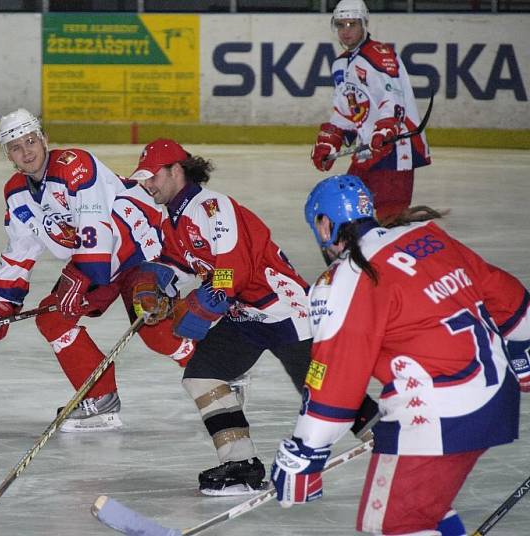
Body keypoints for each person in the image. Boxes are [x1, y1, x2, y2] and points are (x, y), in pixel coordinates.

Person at [270, 175, 530, 535]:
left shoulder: (346, 278)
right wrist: (523, 349)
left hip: (438, 411)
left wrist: (306, 450)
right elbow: (505, 294)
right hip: (495, 395)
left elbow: (336, 376)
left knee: (396, 523)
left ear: (325, 224)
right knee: (424, 508)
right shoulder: (426, 236)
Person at [129, 139, 379, 496]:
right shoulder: (173, 217)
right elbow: (180, 263)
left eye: (153, 176)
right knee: (202, 376)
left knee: (327, 393)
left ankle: (389, 437)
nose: (147, 184)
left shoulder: (213, 207)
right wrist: (153, 282)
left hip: (285, 311)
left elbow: (233, 271)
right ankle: (241, 465)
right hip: (245, 317)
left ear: (176, 170)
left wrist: (201, 307)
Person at [0, 109, 194, 433]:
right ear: (8, 155)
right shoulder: (17, 193)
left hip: (138, 248)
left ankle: (215, 370)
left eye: (31, 140)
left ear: (44, 139)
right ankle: (100, 399)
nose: (26, 151)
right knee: (52, 317)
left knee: (153, 328)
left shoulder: (75, 166)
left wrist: (82, 275)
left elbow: (95, 226)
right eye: (16, 147)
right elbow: (20, 251)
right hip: (101, 261)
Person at [310, 0, 430, 224]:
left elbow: (393, 99)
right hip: (369, 148)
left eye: (352, 24)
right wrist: (332, 137)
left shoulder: (379, 55)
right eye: (341, 25)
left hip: (394, 149)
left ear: (364, 24)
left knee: (389, 219)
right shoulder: (340, 64)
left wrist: (385, 129)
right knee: (347, 209)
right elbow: (348, 110)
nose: (346, 31)